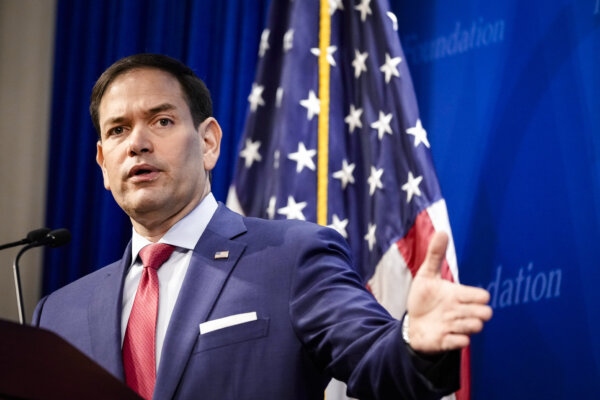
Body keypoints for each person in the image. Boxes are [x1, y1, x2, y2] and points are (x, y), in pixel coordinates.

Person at [33, 54, 492, 400]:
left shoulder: (292, 257)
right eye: (117, 130)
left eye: (162, 120)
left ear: (208, 142)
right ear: (103, 164)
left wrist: (415, 340)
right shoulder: (56, 315)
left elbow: (378, 362)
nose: (137, 143)